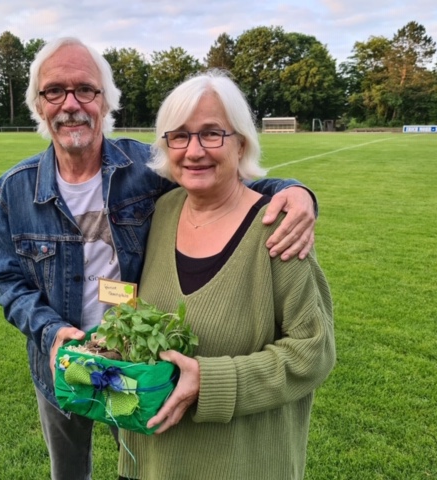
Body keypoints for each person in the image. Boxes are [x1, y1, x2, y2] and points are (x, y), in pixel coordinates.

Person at [0, 37, 319, 480]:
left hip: (142, 361)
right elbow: (6, 279)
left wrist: (294, 191)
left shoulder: (146, 168)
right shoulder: (12, 190)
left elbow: (217, 175)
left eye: (86, 89)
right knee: (68, 471)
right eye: (54, 91)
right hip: (61, 364)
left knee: (145, 456)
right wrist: (49, 329)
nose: (71, 104)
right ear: (38, 104)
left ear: (105, 101)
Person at [117, 70, 336, 480]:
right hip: (152, 463)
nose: (194, 150)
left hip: (241, 465)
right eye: (179, 135)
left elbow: (315, 352)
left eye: (212, 133)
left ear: (241, 143)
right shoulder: (162, 212)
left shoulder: (278, 227)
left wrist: (214, 382)